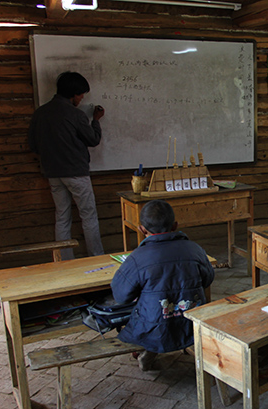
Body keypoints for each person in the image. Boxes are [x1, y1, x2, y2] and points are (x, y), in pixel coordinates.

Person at [111, 200, 215, 371]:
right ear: (175, 226)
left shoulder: (137, 258)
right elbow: (208, 279)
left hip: (153, 330)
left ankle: (149, 352)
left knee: (144, 306)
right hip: (191, 324)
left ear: (141, 229)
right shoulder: (194, 249)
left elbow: (121, 297)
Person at [28, 71, 106, 260]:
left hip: (52, 173)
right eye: (81, 95)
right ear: (73, 94)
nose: (82, 99)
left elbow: (33, 146)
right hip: (76, 172)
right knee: (88, 216)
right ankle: (96, 257)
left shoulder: (40, 113)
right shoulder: (75, 115)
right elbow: (93, 140)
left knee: (62, 217)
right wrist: (95, 121)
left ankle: (65, 261)